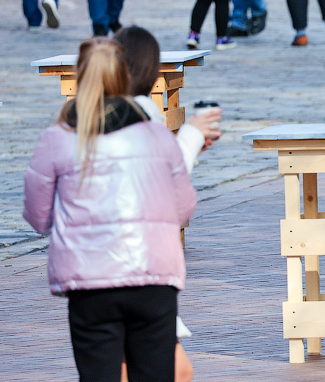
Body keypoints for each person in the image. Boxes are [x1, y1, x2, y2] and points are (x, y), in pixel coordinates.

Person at [23, 37, 197, 382]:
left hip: (91, 280)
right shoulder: (156, 135)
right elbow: (183, 208)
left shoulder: (56, 138)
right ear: (124, 76)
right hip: (153, 276)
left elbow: (38, 216)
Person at [114, 25, 216, 382]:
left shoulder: (78, 122)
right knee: (173, 370)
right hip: (141, 267)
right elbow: (175, 200)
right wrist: (190, 138)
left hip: (90, 273)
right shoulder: (144, 117)